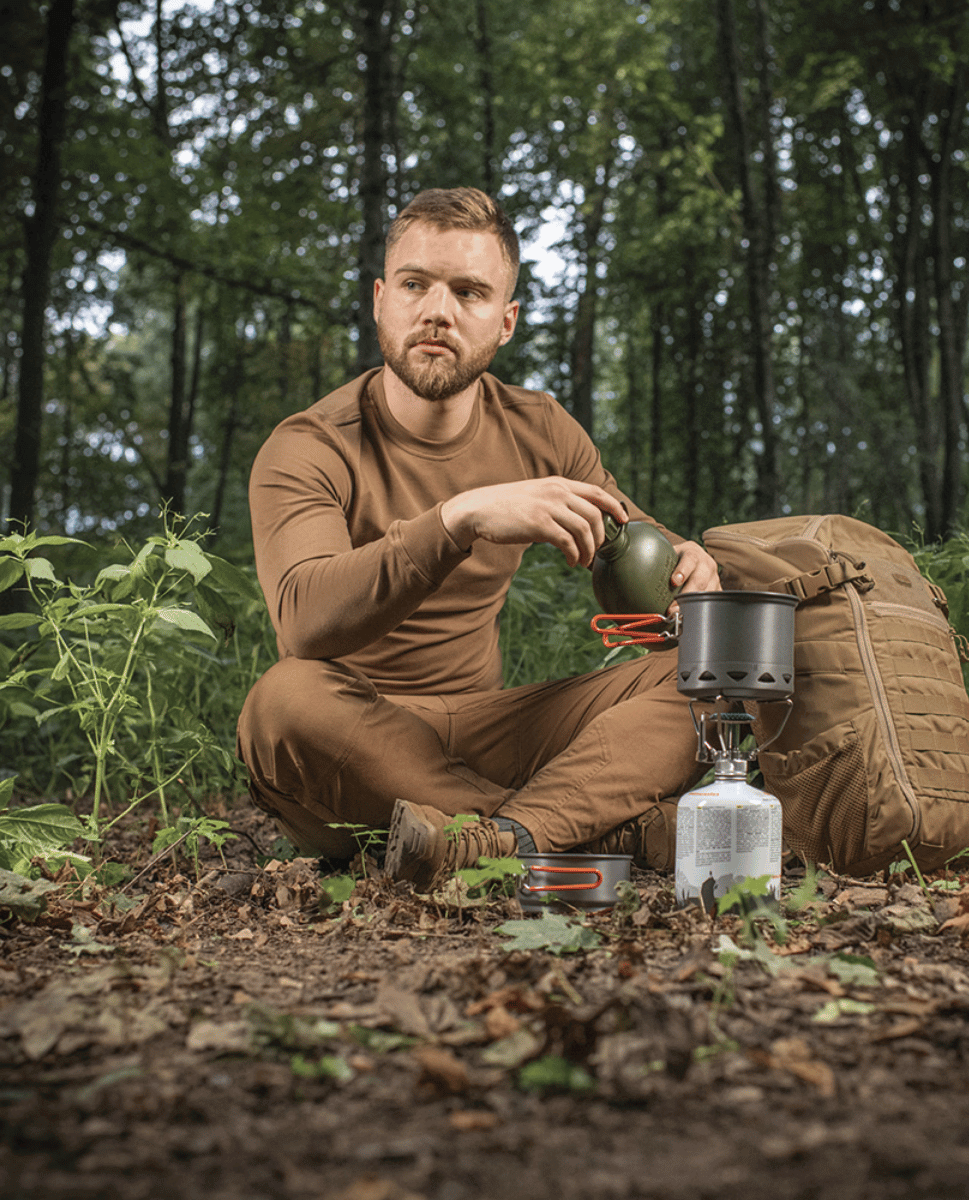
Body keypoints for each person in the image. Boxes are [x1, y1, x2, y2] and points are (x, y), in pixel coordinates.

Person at [236, 187, 721, 890]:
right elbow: (305, 622)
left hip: (493, 729)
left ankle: (500, 839)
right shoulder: (309, 445)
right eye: (415, 285)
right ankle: (603, 830)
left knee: (712, 668)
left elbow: (643, 550)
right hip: (356, 747)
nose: (438, 311)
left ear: (506, 322)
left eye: (469, 292)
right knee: (282, 701)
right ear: (379, 300)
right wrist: (458, 520)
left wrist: (689, 572)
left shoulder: (541, 428)